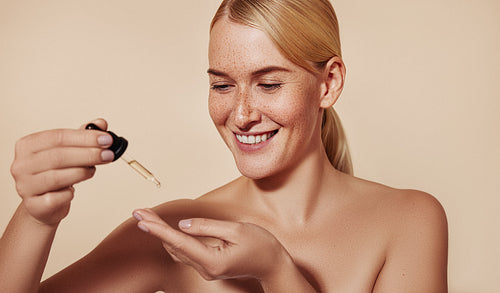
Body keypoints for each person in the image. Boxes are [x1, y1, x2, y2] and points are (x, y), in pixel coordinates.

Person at [0, 0, 448, 292]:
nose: (241, 113)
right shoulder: (176, 232)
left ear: (328, 84)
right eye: (222, 85)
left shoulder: (408, 220)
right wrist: (38, 215)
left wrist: (276, 271)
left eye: (269, 84)